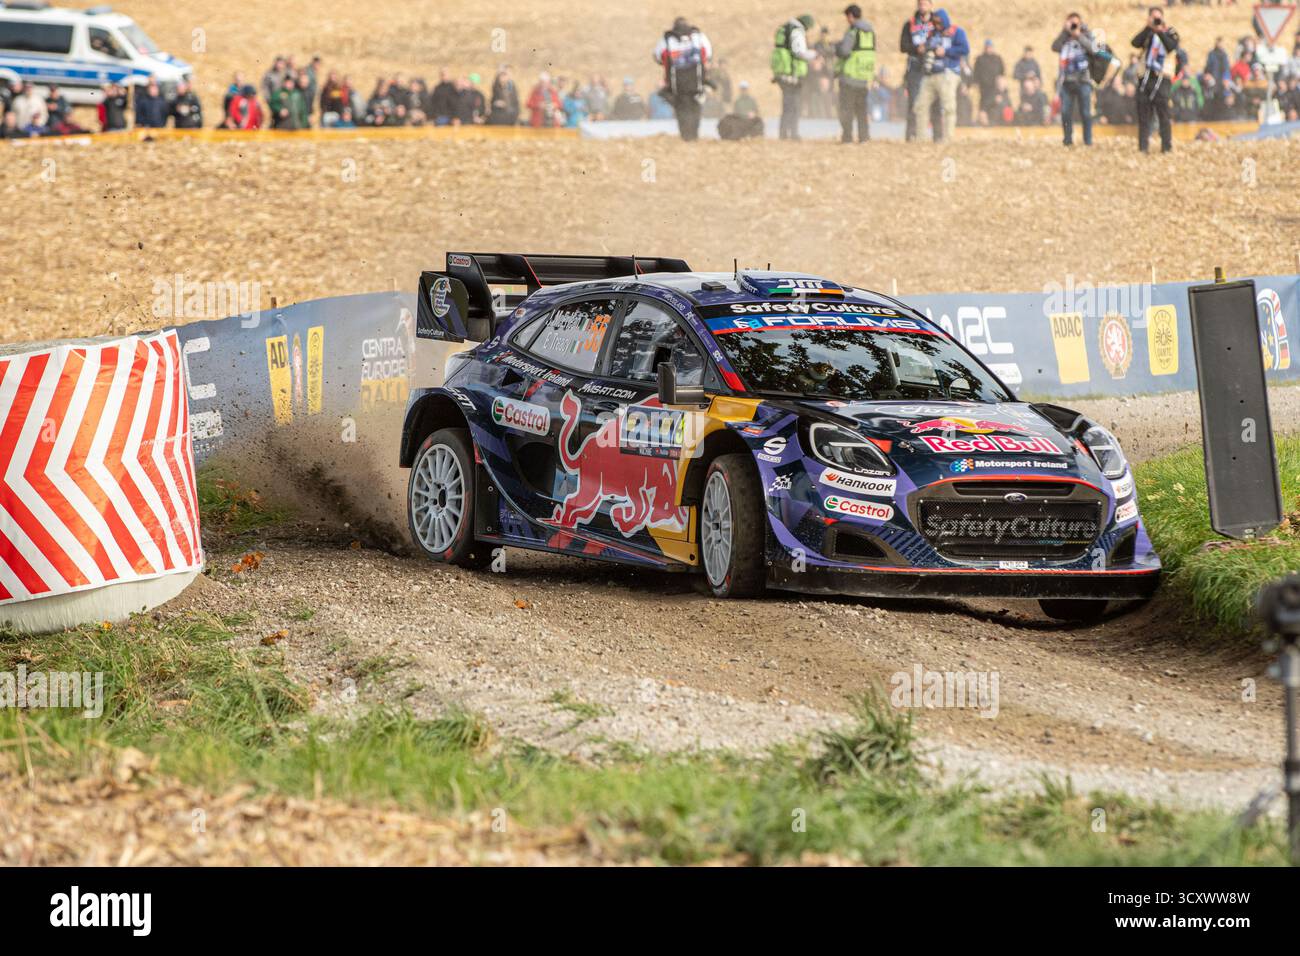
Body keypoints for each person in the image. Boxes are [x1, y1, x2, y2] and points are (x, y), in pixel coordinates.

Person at [911, 8, 968, 142]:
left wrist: (947, 51)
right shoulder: (930, 33)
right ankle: (921, 138)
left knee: (948, 107)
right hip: (930, 74)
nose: (937, 25)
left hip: (947, 73)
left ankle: (948, 138)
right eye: (934, 22)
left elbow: (965, 49)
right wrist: (922, 49)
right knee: (920, 106)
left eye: (939, 22)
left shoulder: (956, 32)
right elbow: (918, 39)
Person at [654, 16, 713, 141]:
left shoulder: (667, 39)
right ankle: (694, 136)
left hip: (677, 86)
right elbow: (708, 54)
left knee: (681, 111)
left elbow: (658, 57)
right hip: (696, 83)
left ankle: (685, 137)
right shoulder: (699, 36)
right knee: (695, 108)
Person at [1132, 6, 1179, 154]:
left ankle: (1166, 147)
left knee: (1164, 113)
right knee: (1144, 113)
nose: (1157, 20)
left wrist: (1159, 31)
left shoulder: (1170, 32)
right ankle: (1143, 148)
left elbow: (1171, 47)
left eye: (1159, 17)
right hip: (1145, 77)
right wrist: (1148, 28)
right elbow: (1135, 43)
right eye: (1154, 17)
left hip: (1162, 77)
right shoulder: (1147, 33)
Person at [1051, 12, 1097, 146]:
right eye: (1070, 23)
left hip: (1084, 80)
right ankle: (1067, 141)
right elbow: (1054, 47)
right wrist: (1064, 32)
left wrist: (1079, 35)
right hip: (1067, 81)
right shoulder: (1064, 37)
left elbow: (1094, 50)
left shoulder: (1087, 34)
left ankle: (1088, 141)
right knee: (1065, 112)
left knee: (1086, 112)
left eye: (1075, 23)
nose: (1073, 25)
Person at [835, 4, 876, 143]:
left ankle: (847, 138)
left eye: (847, 17)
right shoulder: (870, 32)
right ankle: (864, 137)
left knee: (846, 110)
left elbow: (844, 51)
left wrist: (837, 47)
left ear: (851, 16)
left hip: (850, 76)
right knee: (861, 110)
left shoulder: (853, 31)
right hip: (864, 77)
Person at [772, 14, 817, 139]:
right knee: (794, 106)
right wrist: (815, 54)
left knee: (787, 105)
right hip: (792, 74)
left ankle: (783, 133)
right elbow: (799, 52)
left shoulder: (785, 29)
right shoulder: (796, 32)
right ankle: (793, 133)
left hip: (783, 73)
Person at [900, 0, 935, 140]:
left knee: (934, 102)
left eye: (925, 3)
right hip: (914, 67)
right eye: (920, 3)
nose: (922, 6)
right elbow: (903, 46)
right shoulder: (909, 24)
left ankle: (936, 136)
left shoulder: (937, 23)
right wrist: (917, 49)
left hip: (932, 66)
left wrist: (928, 49)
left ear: (931, 5)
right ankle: (911, 136)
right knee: (914, 103)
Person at [972, 39, 1004, 124]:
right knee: (983, 106)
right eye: (987, 47)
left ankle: (994, 122)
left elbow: (1001, 74)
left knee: (995, 104)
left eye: (990, 47)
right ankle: (983, 122)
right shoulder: (980, 59)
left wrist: (1000, 89)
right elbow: (976, 73)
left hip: (994, 87)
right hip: (983, 88)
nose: (988, 49)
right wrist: (976, 84)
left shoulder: (997, 58)